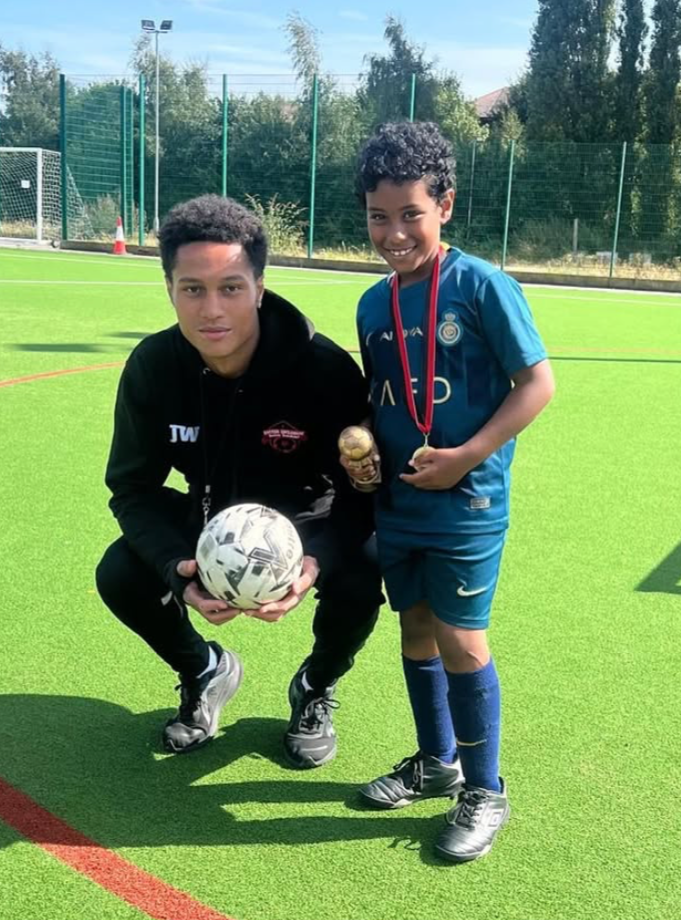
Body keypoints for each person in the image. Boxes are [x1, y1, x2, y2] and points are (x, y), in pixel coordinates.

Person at [96, 194, 383, 768]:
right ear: (170, 289)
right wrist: (176, 568)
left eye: (230, 287)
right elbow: (133, 488)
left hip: (310, 516)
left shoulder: (321, 369)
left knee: (367, 567)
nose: (211, 310)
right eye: (192, 288)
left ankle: (316, 686)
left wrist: (318, 559)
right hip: (208, 518)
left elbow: (362, 490)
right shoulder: (154, 367)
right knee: (121, 571)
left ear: (258, 286)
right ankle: (203, 670)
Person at [345, 122, 555, 862]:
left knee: (464, 640)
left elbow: (538, 384)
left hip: (466, 501)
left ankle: (485, 788)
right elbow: (384, 396)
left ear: (446, 205)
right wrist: (364, 454)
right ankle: (437, 762)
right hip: (399, 501)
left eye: (411, 213)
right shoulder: (372, 304)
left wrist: (466, 456)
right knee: (415, 630)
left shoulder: (482, 285)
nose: (394, 232)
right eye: (378, 215)